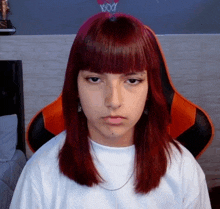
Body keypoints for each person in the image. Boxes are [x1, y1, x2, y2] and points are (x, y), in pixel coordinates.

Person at [10, 12, 211, 208]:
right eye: (95, 79)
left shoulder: (183, 169)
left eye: (132, 80)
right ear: (76, 87)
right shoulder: (41, 173)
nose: (113, 101)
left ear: (150, 89)